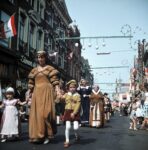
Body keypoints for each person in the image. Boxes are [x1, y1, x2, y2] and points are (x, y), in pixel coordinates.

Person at [28, 50, 60, 144]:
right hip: (37, 93)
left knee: (46, 114)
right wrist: (29, 92)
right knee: (37, 115)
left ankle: (47, 134)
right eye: (39, 57)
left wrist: (58, 91)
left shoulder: (50, 68)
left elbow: (55, 81)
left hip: (47, 92)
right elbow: (31, 83)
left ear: (45, 58)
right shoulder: (34, 70)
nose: (40, 59)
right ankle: (38, 136)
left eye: (42, 57)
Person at [61, 80, 81, 148]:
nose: (72, 88)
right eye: (71, 87)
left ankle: (77, 135)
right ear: (69, 88)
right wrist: (58, 93)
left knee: (75, 127)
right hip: (67, 111)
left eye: (73, 87)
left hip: (75, 112)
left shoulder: (78, 95)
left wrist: (74, 113)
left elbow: (78, 105)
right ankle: (67, 141)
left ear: (75, 88)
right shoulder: (66, 94)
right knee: (68, 127)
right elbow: (59, 99)